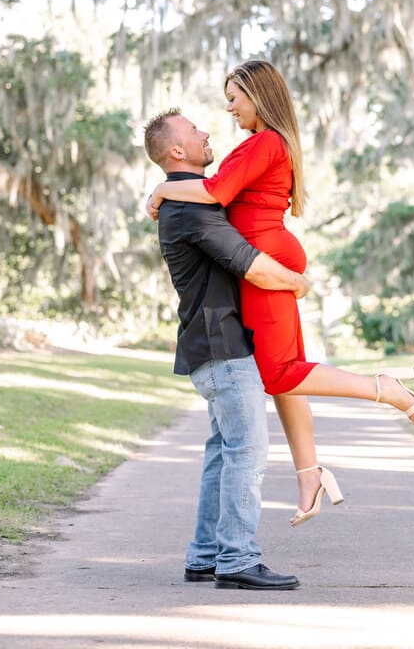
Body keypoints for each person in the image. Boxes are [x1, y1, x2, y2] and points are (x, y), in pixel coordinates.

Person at [146, 60, 414, 527]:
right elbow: (217, 191)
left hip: (265, 262)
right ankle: (309, 476)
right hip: (270, 254)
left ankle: (383, 389)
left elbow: (214, 193)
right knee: (283, 371)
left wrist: (160, 189)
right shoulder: (261, 143)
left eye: (234, 97)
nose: (229, 108)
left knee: (279, 374)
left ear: (257, 96)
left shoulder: (266, 141)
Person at [144, 106, 305, 591]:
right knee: (247, 451)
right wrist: (299, 282)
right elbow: (251, 265)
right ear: (177, 150)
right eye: (195, 131)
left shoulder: (185, 202)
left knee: (222, 451)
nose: (207, 131)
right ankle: (237, 559)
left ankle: (206, 555)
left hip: (211, 347)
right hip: (224, 349)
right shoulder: (192, 210)